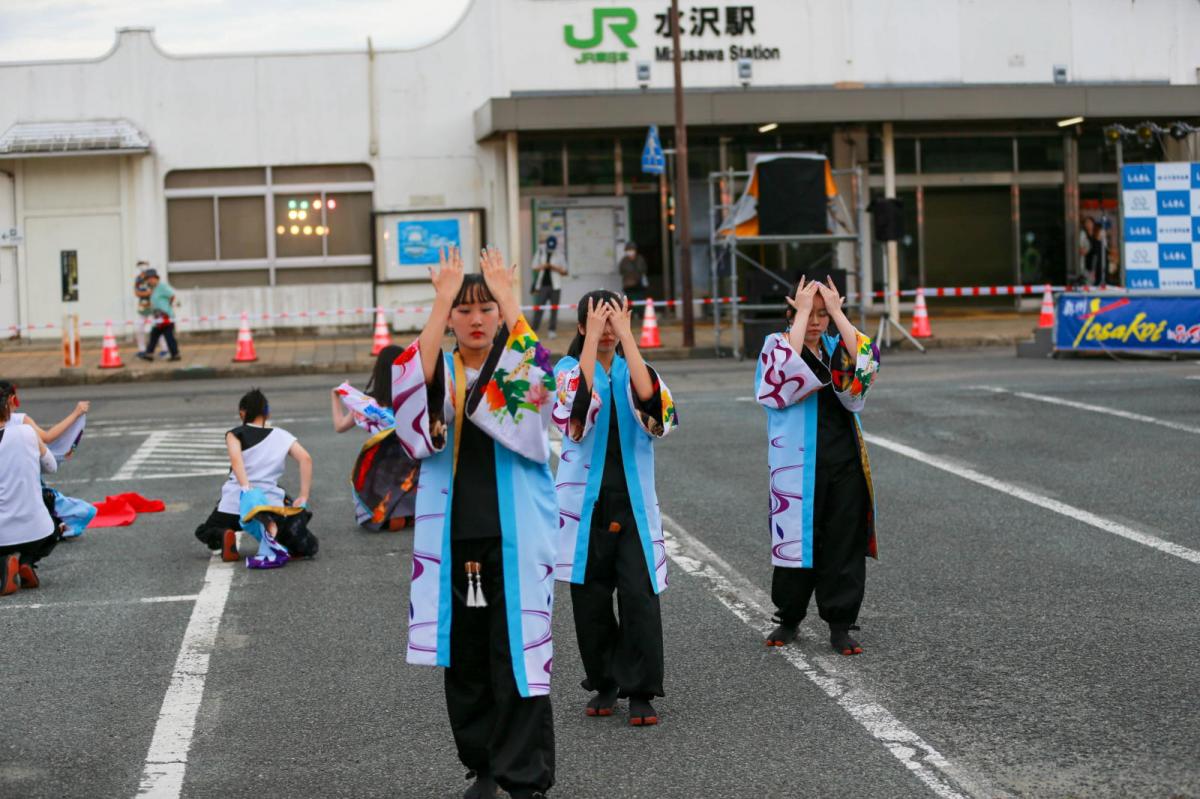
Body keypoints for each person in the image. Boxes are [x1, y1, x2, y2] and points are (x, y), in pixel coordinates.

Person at [393, 246, 557, 799]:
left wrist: (511, 297)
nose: (476, 319)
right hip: (456, 542)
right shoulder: (440, 374)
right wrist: (440, 300)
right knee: (465, 657)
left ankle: (524, 777)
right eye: (464, 311)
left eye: (486, 307)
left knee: (515, 654)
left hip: (514, 538)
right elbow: (411, 393)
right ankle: (483, 765)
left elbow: (543, 385)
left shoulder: (516, 364)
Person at [552, 291, 677, 726]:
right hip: (583, 504)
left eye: (614, 319)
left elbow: (657, 407)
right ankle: (604, 681)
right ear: (582, 326)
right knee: (590, 597)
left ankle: (642, 689)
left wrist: (627, 337)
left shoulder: (634, 368)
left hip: (634, 500)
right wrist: (591, 346)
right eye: (597, 320)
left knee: (640, 594)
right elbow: (572, 410)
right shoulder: (567, 369)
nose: (607, 329)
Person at [756, 275, 881, 656]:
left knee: (844, 541)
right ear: (792, 312)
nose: (815, 322)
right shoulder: (775, 345)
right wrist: (804, 309)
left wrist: (840, 313)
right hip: (796, 467)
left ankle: (841, 624)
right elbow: (782, 374)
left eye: (822, 315)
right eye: (808, 314)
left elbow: (868, 362)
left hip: (844, 459)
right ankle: (789, 617)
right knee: (796, 543)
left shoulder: (836, 345)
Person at [193, 388, 317, 567]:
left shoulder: (235, 434)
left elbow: (236, 461)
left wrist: (245, 488)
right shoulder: (282, 436)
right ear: (267, 412)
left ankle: (224, 534)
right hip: (270, 506)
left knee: (206, 530)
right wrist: (303, 496)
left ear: (242, 413)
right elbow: (306, 459)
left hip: (233, 504)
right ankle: (280, 539)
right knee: (287, 530)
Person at [330, 344, 419, 532]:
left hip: (381, 466)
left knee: (382, 478)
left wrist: (335, 398)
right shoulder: (412, 397)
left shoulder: (368, 404)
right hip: (411, 465)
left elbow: (340, 426)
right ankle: (410, 513)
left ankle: (389, 515)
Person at [0, 381, 96, 537]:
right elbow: (47, 438)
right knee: (39, 500)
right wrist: (76, 413)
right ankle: (54, 528)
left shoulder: (20, 420)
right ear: (11, 400)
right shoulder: (21, 420)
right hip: (24, 476)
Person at [0, 380, 61, 595]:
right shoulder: (27, 432)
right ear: (9, 403)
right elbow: (51, 467)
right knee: (54, 525)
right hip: (36, 531)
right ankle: (26, 561)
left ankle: (4, 564)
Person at [137, 269, 180, 362]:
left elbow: (172, 295)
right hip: (158, 317)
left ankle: (175, 354)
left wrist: (167, 306)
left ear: (155, 278)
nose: (149, 280)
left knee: (168, 336)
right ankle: (149, 353)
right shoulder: (153, 288)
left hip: (166, 316)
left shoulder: (162, 286)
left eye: (151, 278)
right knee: (154, 334)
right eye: (148, 279)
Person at [529, 236, 567, 338]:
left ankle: (552, 330)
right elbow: (534, 267)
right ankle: (534, 329)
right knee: (539, 308)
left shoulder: (560, 254)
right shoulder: (540, 252)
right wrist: (544, 266)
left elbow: (564, 271)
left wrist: (553, 267)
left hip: (556, 286)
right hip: (543, 286)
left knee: (554, 309)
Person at [617, 242, 649, 320]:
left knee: (640, 301)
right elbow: (621, 271)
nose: (630, 252)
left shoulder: (640, 259)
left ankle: (641, 315)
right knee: (629, 302)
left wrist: (636, 276)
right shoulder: (624, 261)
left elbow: (643, 270)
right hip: (628, 286)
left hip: (639, 285)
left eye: (631, 250)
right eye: (628, 250)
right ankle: (631, 317)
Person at [1079, 217, 1103, 287]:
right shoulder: (1083, 234)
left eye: (1089, 222)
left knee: (1098, 280)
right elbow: (1081, 249)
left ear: (1093, 223)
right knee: (1089, 281)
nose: (1088, 224)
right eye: (1086, 223)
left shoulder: (1098, 233)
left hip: (1098, 261)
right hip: (1088, 262)